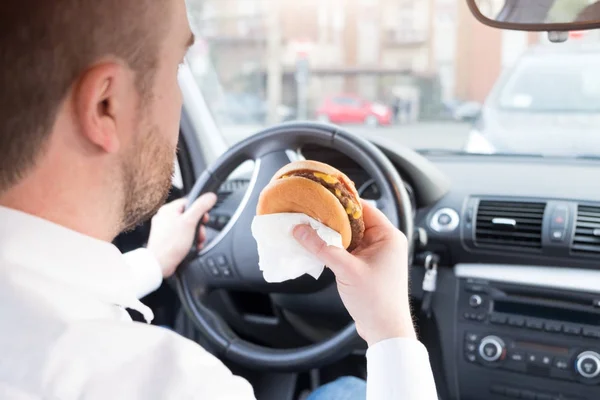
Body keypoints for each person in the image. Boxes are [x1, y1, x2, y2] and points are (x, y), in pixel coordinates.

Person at [0, 1, 437, 399]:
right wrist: (391, 332)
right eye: (176, 68)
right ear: (105, 106)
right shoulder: (171, 384)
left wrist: (152, 262)